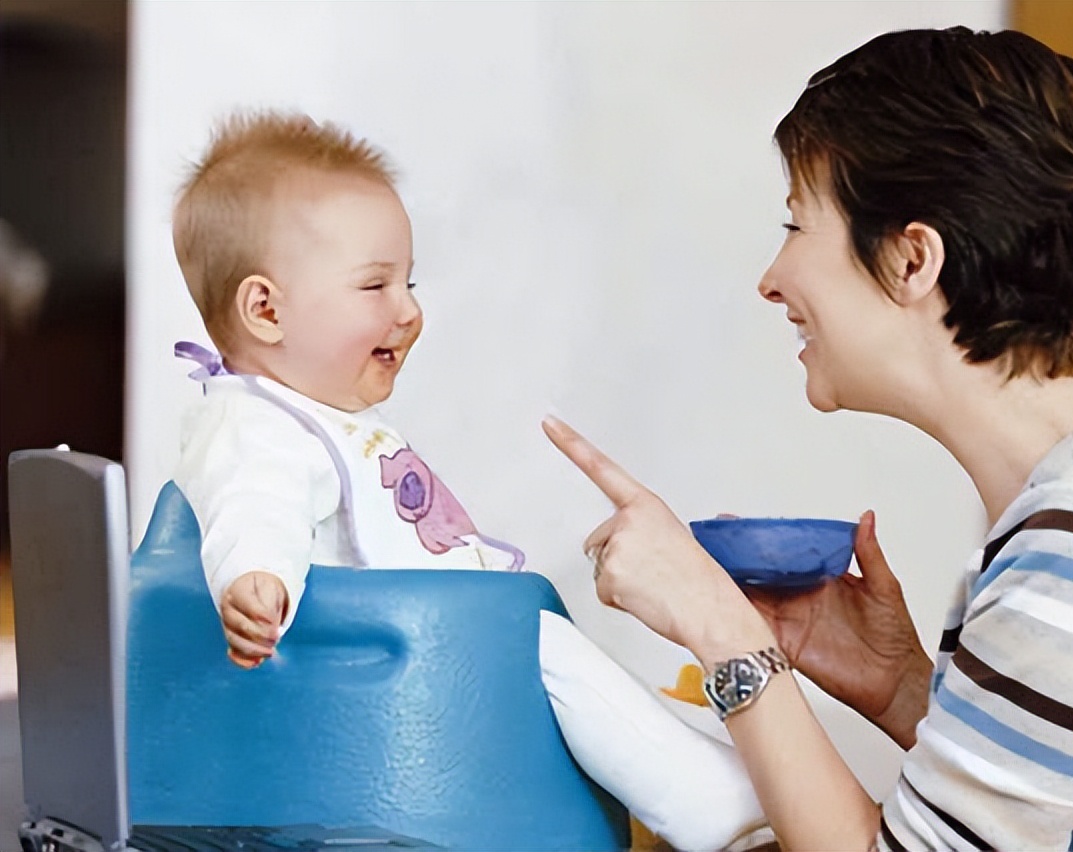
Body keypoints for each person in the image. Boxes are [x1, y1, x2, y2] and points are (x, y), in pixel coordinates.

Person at [544, 26, 1073, 851]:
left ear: (910, 259)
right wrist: (899, 687)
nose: (772, 278)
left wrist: (723, 632)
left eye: (796, 225)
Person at [168, 110, 770, 851]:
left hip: (434, 658)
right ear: (265, 309)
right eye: (374, 286)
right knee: (545, 653)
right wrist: (255, 579)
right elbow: (250, 503)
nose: (410, 310)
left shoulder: (317, 416)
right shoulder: (253, 425)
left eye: (409, 282)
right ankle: (727, 811)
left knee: (554, 652)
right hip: (383, 676)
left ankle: (681, 780)